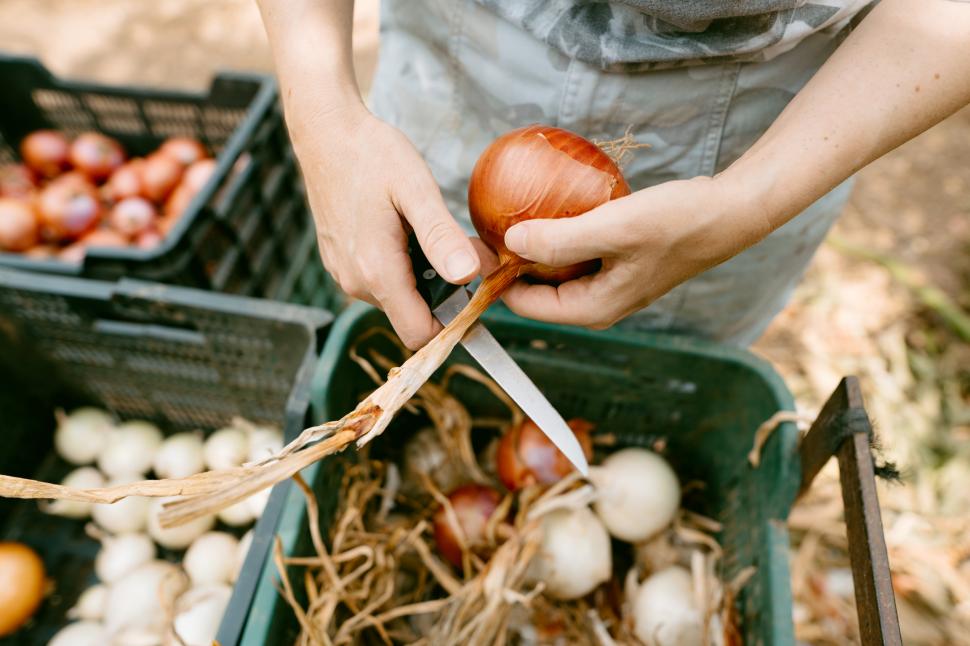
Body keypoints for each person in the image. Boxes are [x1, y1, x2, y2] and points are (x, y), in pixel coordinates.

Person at [256, 0, 970, 349]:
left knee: (652, 373)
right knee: (400, 313)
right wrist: (322, 109)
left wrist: (750, 200)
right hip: (453, 64)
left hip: (774, 128)